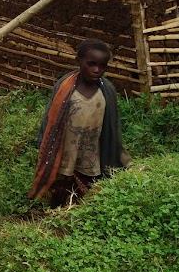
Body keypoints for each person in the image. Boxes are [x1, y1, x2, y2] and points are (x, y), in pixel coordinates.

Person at [27, 39, 132, 208]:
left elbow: (111, 126)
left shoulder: (107, 90)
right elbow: (51, 119)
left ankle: (81, 215)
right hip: (66, 149)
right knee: (61, 185)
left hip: (91, 151)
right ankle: (57, 212)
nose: (96, 70)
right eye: (91, 64)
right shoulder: (65, 87)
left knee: (88, 189)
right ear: (79, 61)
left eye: (102, 66)